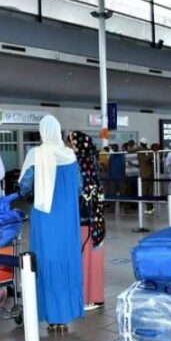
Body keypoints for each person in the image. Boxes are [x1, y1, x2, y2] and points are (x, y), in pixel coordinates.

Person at [19, 115, 83, 333]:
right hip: (67, 217)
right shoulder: (70, 155)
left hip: (45, 217)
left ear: (42, 132)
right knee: (66, 257)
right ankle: (65, 314)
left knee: (46, 259)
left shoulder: (35, 155)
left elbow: (24, 187)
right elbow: (79, 188)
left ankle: (49, 315)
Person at [68, 131, 105, 311]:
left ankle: (87, 298)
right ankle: (96, 297)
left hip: (84, 218)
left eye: (73, 144)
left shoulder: (79, 165)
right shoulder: (93, 162)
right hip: (97, 218)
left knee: (86, 257)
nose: (71, 147)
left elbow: (77, 190)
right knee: (95, 255)